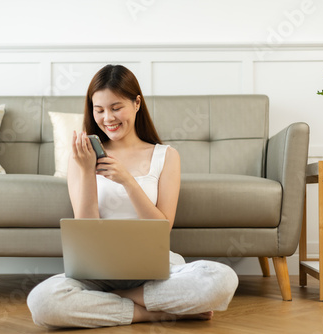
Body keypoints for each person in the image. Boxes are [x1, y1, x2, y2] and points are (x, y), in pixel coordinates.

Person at [27, 64, 238, 329]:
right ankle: (150, 312)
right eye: (99, 109)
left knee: (221, 279)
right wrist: (85, 170)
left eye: (116, 108)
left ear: (137, 103)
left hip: (156, 269)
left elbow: (163, 227)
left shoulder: (166, 156)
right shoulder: (81, 157)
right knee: (42, 302)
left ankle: (114, 301)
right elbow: (85, 227)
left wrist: (128, 181)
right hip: (98, 271)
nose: (108, 118)